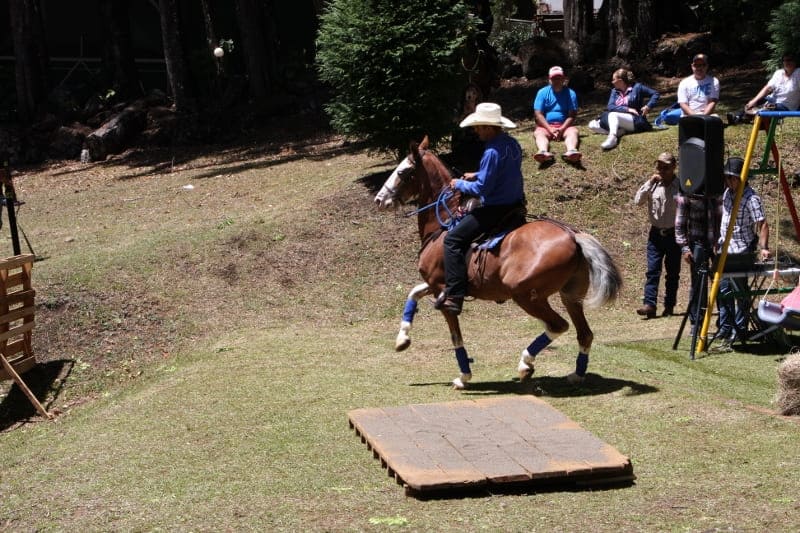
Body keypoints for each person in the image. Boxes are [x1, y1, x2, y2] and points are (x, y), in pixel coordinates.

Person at [436, 102, 525, 315]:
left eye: (479, 127)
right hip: (516, 205)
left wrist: (459, 184)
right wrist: (477, 173)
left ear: (489, 127)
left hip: (495, 208)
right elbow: (503, 172)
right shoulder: (512, 144)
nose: (476, 131)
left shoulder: (491, 151)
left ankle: (455, 295)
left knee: (452, 240)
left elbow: (482, 188)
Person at [714, 157, 771, 348]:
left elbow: (762, 224)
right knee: (722, 290)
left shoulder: (751, 198)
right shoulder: (727, 193)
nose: (728, 181)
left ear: (741, 178)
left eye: (732, 178)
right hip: (724, 249)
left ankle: (739, 330)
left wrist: (763, 248)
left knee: (740, 292)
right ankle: (725, 328)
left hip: (741, 250)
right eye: (727, 177)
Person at [633, 152, 681, 318]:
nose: (661, 170)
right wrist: (649, 183)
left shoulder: (680, 186)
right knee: (653, 270)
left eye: (665, 167)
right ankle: (649, 304)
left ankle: (669, 305)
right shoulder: (653, 185)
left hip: (674, 234)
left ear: (673, 167)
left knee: (672, 273)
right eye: (659, 166)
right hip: (655, 235)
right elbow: (637, 201)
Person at [675, 180, 723, 328]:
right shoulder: (687, 193)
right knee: (698, 285)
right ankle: (697, 322)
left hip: (717, 243)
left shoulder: (718, 191)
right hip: (697, 243)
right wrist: (685, 248)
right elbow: (680, 224)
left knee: (721, 283)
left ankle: (724, 321)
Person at [588, 68, 660, 150]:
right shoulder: (614, 91)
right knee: (592, 124)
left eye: (613, 80)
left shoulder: (637, 87)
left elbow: (655, 94)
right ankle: (620, 131)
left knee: (613, 115)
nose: (612, 82)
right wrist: (627, 109)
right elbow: (610, 106)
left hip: (634, 119)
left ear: (621, 81)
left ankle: (613, 138)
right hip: (618, 119)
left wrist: (648, 106)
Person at [727, 53, 800, 125]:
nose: (787, 62)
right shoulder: (779, 73)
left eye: (790, 60)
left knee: (769, 108)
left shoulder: (798, 73)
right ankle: (737, 117)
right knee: (754, 102)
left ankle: (751, 117)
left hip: (786, 106)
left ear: (795, 62)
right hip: (771, 100)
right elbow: (767, 88)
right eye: (785, 60)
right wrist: (754, 100)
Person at [532, 66, 581, 163]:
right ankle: (543, 151)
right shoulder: (542, 92)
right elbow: (538, 114)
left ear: (563, 79)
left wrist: (562, 129)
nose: (556, 81)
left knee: (573, 132)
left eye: (559, 78)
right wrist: (550, 129)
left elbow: (572, 115)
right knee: (539, 133)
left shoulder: (571, 93)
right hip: (545, 126)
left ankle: (572, 151)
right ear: (549, 80)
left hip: (565, 126)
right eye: (554, 78)